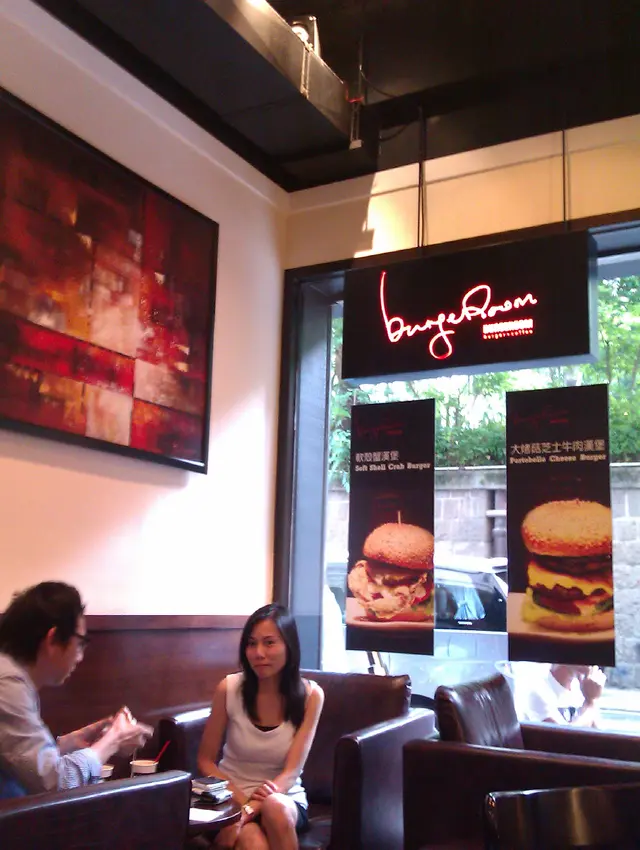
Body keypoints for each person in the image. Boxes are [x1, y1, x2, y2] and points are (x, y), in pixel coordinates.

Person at [0, 581, 153, 798]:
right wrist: (113, 739)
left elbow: (21, 761)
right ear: (53, 639)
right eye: (81, 642)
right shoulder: (7, 685)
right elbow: (57, 782)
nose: (80, 657)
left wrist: (70, 743)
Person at [197, 604, 325, 850]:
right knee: (253, 842)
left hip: (284, 797)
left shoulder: (311, 696)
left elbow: (291, 772)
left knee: (275, 806)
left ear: (289, 645)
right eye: (251, 644)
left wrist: (249, 810)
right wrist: (241, 806)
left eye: (269, 643)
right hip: (231, 796)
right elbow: (205, 761)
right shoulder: (229, 688)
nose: (258, 653)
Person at [514, 662, 606, 728]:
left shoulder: (580, 686)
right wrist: (590, 702)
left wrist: (593, 698)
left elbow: (597, 732)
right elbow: (564, 741)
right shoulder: (537, 688)